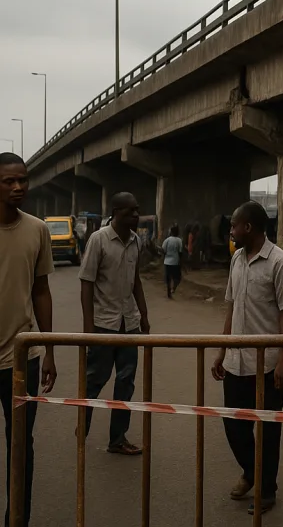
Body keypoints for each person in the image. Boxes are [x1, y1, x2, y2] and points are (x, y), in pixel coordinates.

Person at [211, 201, 283, 515]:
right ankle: (252, 473)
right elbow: (231, 307)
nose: (231, 232)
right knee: (234, 424)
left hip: (268, 364)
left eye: (234, 226)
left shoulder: (278, 261)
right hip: (236, 361)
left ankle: (267, 490)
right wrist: (222, 350)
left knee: (269, 429)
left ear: (248, 227)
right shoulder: (236, 259)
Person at [0, 153, 58, 525]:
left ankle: (17, 520)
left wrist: (50, 348)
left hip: (22, 358)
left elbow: (41, 291)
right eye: (9, 181)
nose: (18, 187)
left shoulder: (38, 229)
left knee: (21, 448)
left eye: (23, 180)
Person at [79, 192, 150, 456]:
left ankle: (117, 438)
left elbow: (136, 281)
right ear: (116, 212)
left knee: (126, 382)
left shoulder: (136, 242)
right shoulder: (98, 240)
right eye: (130, 211)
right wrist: (88, 331)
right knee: (94, 380)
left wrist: (143, 314)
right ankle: (81, 427)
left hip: (128, 324)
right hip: (103, 324)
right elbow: (86, 284)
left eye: (137, 210)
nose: (136, 215)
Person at [161, 224, 184, 299]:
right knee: (177, 278)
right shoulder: (179, 240)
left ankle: (169, 293)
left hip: (167, 262)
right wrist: (181, 262)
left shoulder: (167, 240)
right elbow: (180, 252)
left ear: (171, 232)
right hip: (175, 262)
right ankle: (173, 289)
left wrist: (164, 257)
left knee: (168, 279)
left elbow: (163, 250)